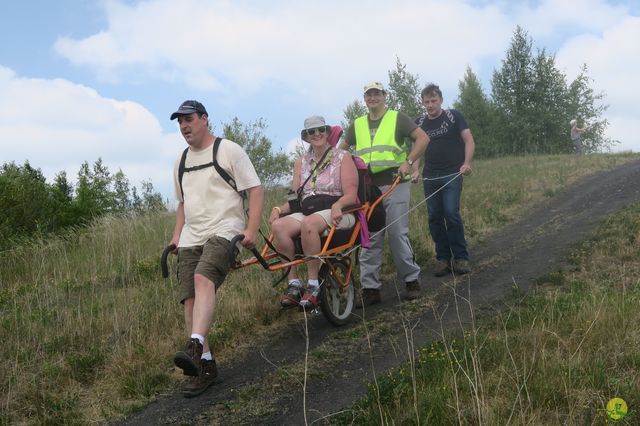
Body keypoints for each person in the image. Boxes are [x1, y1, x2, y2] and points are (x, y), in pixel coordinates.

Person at [168, 100, 264, 397]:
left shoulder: (229, 150)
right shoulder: (181, 161)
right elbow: (183, 204)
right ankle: (206, 365)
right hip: (191, 236)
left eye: (189, 119)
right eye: (180, 121)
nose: (184, 126)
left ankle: (194, 346)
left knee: (203, 278)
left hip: (225, 230)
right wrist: (175, 237)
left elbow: (255, 189)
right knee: (189, 301)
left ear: (204, 119)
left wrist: (250, 230)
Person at [339, 81, 428, 306]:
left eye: (377, 93)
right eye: (369, 94)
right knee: (370, 237)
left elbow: (423, 139)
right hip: (367, 189)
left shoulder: (397, 118)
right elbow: (340, 152)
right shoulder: (357, 124)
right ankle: (370, 288)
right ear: (365, 98)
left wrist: (409, 162)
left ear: (384, 96)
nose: (373, 98)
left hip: (395, 182)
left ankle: (411, 280)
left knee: (397, 233)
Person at [269, 115, 358, 310]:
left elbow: (351, 194)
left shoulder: (343, 157)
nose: (316, 134)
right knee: (278, 226)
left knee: (309, 223)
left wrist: (338, 206)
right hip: (308, 208)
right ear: (306, 137)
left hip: (337, 208)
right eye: (311, 131)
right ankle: (294, 284)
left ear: (327, 132)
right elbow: (295, 198)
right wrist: (278, 209)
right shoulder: (301, 162)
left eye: (320, 130)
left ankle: (313, 284)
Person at [416, 84, 474, 277]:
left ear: (441, 100)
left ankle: (460, 258)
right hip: (430, 176)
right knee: (434, 217)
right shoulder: (420, 122)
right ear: (422, 103)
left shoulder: (453, 116)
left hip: (453, 174)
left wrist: (466, 163)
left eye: (434, 101)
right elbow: (416, 151)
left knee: (451, 213)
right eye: (426, 102)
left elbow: (468, 140)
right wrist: (415, 170)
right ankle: (443, 259)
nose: (430, 105)